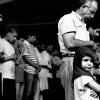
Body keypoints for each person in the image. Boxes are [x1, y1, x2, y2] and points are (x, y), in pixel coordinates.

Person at [57, 0, 99, 100]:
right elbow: (70, 43)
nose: (92, 16)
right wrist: (90, 43)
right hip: (71, 61)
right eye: (92, 12)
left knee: (86, 96)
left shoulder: (82, 23)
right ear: (83, 7)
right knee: (71, 96)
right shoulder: (68, 19)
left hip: (81, 63)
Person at [0, 26, 18, 100]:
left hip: (12, 76)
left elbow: (15, 61)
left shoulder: (11, 45)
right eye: (14, 36)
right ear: (8, 34)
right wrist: (10, 57)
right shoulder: (1, 41)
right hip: (5, 76)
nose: (15, 38)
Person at [23, 34, 40, 100]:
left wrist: (37, 67)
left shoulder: (31, 45)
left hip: (35, 71)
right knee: (28, 91)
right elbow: (26, 58)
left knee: (33, 91)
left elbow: (34, 58)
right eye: (34, 37)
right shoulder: (24, 44)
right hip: (29, 70)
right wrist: (36, 65)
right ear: (29, 36)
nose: (35, 39)